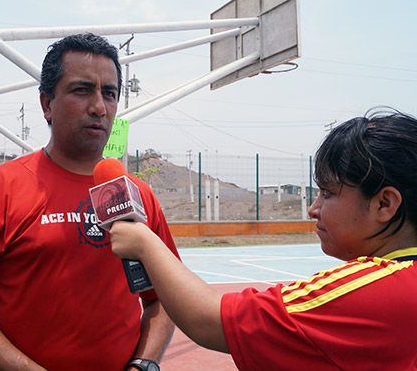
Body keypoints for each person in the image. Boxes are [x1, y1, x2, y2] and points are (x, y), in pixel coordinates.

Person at [0, 33, 179, 371]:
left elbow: (163, 299)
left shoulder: (139, 195)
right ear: (47, 104)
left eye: (109, 93)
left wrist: (142, 365)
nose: (99, 107)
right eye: (82, 90)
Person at [110, 108, 417, 370]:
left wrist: (144, 243)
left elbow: (207, 317)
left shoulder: (372, 293)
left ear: (384, 204)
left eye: (328, 193)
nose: (313, 209)